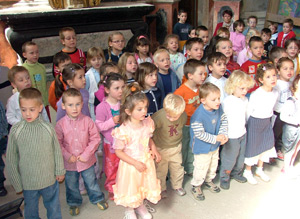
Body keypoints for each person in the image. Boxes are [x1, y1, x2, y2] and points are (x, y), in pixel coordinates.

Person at [6, 88, 65, 219]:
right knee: (31, 210)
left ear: (40, 108)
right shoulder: (16, 130)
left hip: (49, 178)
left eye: (31, 109)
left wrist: (60, 170)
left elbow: (56, 150)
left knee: (53, 207)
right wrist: (16, 181)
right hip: (28, 182)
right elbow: (11, 158)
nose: (27, 113)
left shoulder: (48, 128)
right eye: (23, 109)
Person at [55, 88, 108, 216]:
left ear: (82, 104)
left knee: (91, 181)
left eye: (78, 104)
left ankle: (97, 198)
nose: (74, 108)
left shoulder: (88, 121)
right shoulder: (60, 125)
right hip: (70, 163)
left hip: (87, 161)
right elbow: (57, 144)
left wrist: (86, 155)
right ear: (63, 106)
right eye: (70, 105)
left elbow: (95, 139)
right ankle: (74, 202)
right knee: (71, 184)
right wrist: (67, 156)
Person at [112, 83, 161, 219]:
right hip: (131, 166)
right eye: (139, 109)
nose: (144, 111)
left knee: (143, 184)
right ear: (128, 111)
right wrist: (134, 163)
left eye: (145, 107)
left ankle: (140, 206)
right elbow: (118, 151)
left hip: (146, 162)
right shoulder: (123, 130)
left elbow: (148, 139)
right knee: (131, 188)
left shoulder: (147, 123)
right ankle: (129, 209)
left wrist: (155, 150)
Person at [190, 82, 228, 201]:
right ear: (203, 100)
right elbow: (199, 134)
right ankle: (196, 185)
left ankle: (209, 180)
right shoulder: (198, 116)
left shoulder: (218, 107)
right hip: (202, 148)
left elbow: (223, 120)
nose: (217, 101)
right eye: (213, 99)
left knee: (213, 165)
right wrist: (215, 138)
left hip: (214, 146)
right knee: (201, 167)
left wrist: (223, 134)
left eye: (218, 98)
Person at [243, 63, 278, 184]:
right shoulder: (256, 94)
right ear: (261, 80)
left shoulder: (275, 93)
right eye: (268, 77)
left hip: (266, 122)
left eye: (274, 75)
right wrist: (247, 124)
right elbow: (249, 111)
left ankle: (259, 168)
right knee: (253, 146)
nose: (272, 78)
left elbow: (272, 108)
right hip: (255, 122)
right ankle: (247, 171)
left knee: (266, 145)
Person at [220, 70, 254, 190]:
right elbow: (223, 119)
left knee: (241, 157)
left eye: (246, 88)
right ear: (233, 87)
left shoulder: (245, 100)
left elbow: (247, 115)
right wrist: (223, 134)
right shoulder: (227, 102)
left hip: (242, 133)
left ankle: (236, 173)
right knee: (229, 157)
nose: (245, 91)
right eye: (242, 88)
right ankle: (224, 177)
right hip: (231, 135)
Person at [95, 73, 125, 200]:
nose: (121, 91)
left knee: (123, 165)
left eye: (123, 87)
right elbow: (99, 126)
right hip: (110, 143)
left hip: (124, 142)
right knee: (111, 166)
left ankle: (123, 185)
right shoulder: (102, 107)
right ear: (107, 90)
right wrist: (113, 121)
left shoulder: (123, 104)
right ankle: (111, 187)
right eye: (116, 88)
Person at [174, 59, 205, 176]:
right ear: (190, 76)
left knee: (193, 146)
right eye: (200, 74)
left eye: (204, 74)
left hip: (196, 124)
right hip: (185, 125)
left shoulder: (200, 89)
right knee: (184, 148)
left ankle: (190, 167)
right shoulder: (180, 92)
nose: (203, 77)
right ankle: (180, 169)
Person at [152, 94, 187, 198]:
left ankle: (177, 185)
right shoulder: (158, 117)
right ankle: (161, 188)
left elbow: (181, 128)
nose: (171, 119)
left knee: (177, 167)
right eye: (168, 115)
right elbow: (150, 132)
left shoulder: (183, 116)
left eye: (175, 117)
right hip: (161, 148)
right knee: (161, 170)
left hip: (176, 146)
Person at [22, 41, 50, 120]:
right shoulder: (23, 69)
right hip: (32, 103)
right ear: (24, 55)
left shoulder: (41, 67)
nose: (35, 55)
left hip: (43, 101)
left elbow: (44, 84)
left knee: (47, 122)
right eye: (31, 53)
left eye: (37, 52)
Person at [273, 57, 294, 161]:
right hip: (278, 113)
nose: (289, 71)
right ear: (278, 70)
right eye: (285, 69)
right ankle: (274, 150)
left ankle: (281, 149)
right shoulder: (276, 83)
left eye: (291, 68)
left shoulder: (291, 83)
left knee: (283, 133)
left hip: (288, 114)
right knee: (275, 133)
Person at [281, 74, 300, 178]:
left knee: (296, 149)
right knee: (289, 150)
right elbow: (283, 116)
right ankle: (286, 168)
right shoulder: (291, 101)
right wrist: (296, 121)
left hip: (298, 129)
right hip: (292, 129)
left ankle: (290, 165)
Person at [85, 47, 105, 120]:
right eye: (93, 60)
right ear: (89, 61)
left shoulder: (106, 71)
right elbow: (85, 91)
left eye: (99, 58)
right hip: (94, 104)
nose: (97, 61)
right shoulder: (88, 76)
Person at [0, 101, 8, 196]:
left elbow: (3, 117)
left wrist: (4, 134)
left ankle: (0, 184)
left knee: (0, 164)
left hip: (1, 136)